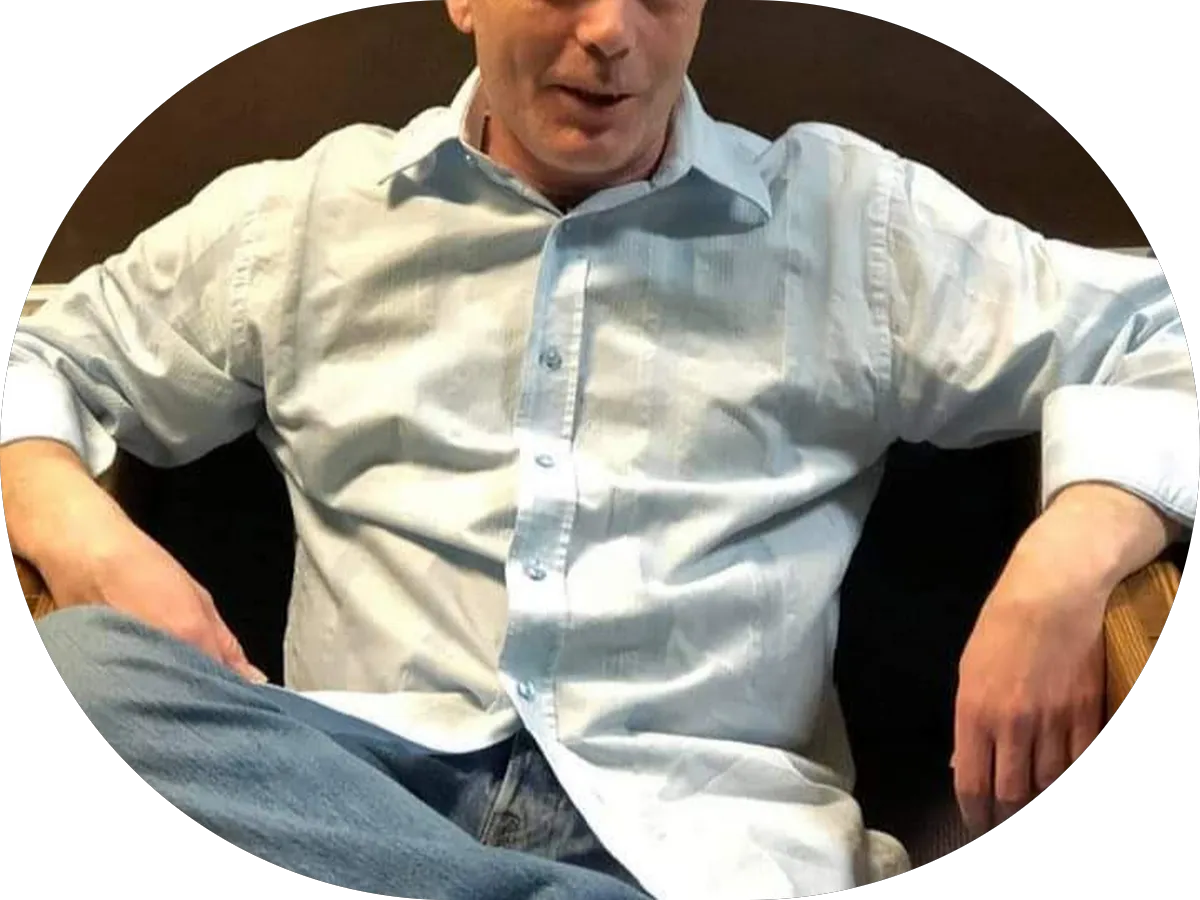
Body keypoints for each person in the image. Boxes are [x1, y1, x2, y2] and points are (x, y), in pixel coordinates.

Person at [2, 1, 1194, 897]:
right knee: (88, 667)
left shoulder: (848, 226)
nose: (612, 33)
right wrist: (84, 533)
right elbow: (42, 356)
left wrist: (1072, 553)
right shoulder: (304, 218)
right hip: (347, 790)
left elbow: (1164, 334)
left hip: (700, 840)